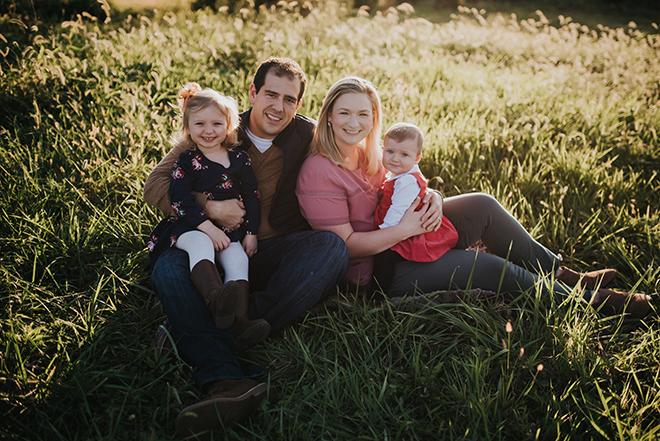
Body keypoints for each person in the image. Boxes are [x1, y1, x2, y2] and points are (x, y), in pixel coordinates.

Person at [295, 76, 652, 318]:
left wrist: (432, 196)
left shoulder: (368, 152)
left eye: (363, 114)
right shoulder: (317, 171)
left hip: (407, 237)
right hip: (378, 274)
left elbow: (402, 185)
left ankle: (565, 274)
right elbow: (345, 247)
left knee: (482, 204)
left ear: (375, 119)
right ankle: (595, 302)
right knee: (490, 268)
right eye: (344, 113)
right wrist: (407, 228)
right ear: (328, 115)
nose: (353, 123)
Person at [143, 58, 352, 437]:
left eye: (289, 99)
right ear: (253, 93)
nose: (278, 106)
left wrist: (424, 190)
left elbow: (364, 164)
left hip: (266, 249)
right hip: (207, 242)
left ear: (298, 105)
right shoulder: (217, 128)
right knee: (169, 266)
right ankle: (224, 377)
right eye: (271, 93)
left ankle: (209, 324)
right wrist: (208, 205)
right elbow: (156, 184)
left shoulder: (307, 137)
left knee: (332, 249)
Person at [146, 82, 270, 349]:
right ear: (187, 128)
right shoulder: (186, 161)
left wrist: (251, 233)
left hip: (229, 232)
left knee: (237, 257)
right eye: (199, 124)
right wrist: (209, 228)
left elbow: (252, 196)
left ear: (228, 126)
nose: (208, 130)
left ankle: (239, 320)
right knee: (201, 243)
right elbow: (179, 200)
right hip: (189, 227)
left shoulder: (239, 159)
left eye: (216, 123)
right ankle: (215, 298)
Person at [372, 122, 459, 292]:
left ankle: (377, 296)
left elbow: (398, 210)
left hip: (401, 227)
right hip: (401, 225)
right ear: (383, 149)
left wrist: (382, 233)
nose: (395, 158)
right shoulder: (399, 173)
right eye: (390, 152)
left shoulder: (406, 181)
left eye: (404, 154)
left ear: (416, 158)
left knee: (383, 257)